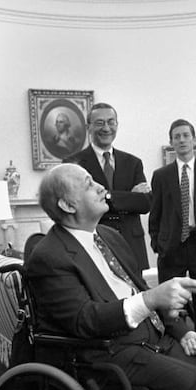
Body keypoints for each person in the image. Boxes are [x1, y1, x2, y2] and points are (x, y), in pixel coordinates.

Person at [25, 163, 196, 390]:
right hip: (108, 352)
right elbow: (85, 320)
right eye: (88, 184)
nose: (101, 187)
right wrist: (152, 300)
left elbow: (137, 290)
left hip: (154, 339)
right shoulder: (49, 256)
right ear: (68, 205)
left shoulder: (110, 237)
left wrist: (181, 331)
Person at [149, 119, 196, 342]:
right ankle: (176, 351)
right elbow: (156, 214)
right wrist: (157, 243)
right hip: (172, 247)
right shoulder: (161, 176)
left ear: (194, 139)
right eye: (177, 136)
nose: (181, 140)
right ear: (171, 141)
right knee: (171, 308)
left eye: (185, 135)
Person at [65, 102, 152, 269]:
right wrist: (126, 197)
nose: (106, 128)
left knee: (138, 293)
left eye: (111, 122)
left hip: (131, 244)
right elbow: (81, 203)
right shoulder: (74, 164)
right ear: (88, 127)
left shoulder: (133, 163)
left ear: (117, 125)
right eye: (99, 123)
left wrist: (103, 196)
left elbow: (144, 203)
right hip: (94, 243)